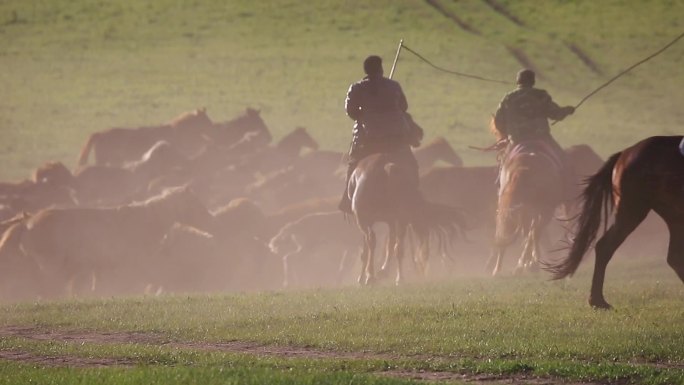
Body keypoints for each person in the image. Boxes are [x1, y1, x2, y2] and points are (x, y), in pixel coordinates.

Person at [338, 55, 421, 214]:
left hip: (369, 140)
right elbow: (403, 106)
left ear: (366, 71)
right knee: (411, 163)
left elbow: (352, 112)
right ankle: (415, 195)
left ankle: (347, 201)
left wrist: (367, 112)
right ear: (381, 69)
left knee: (353, 164)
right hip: (396, 138)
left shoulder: (356, 88)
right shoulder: (394, 86)